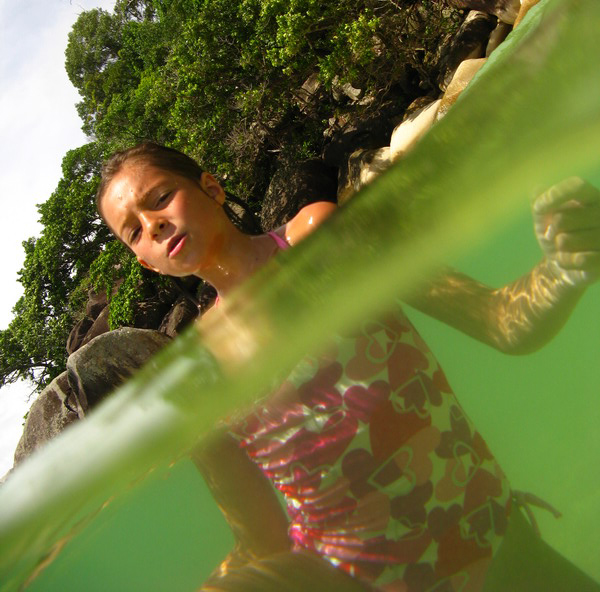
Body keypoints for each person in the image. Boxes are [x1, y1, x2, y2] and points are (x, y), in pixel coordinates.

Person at [96, 142, 600, 592]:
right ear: (146, 263)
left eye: (159, 198)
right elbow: (262, 540)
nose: (153, 225)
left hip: (496, 543)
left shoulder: (315, 240)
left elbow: (499, 321)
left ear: (212, 187)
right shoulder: (198, 374)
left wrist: (565, 268)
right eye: (134, 231)